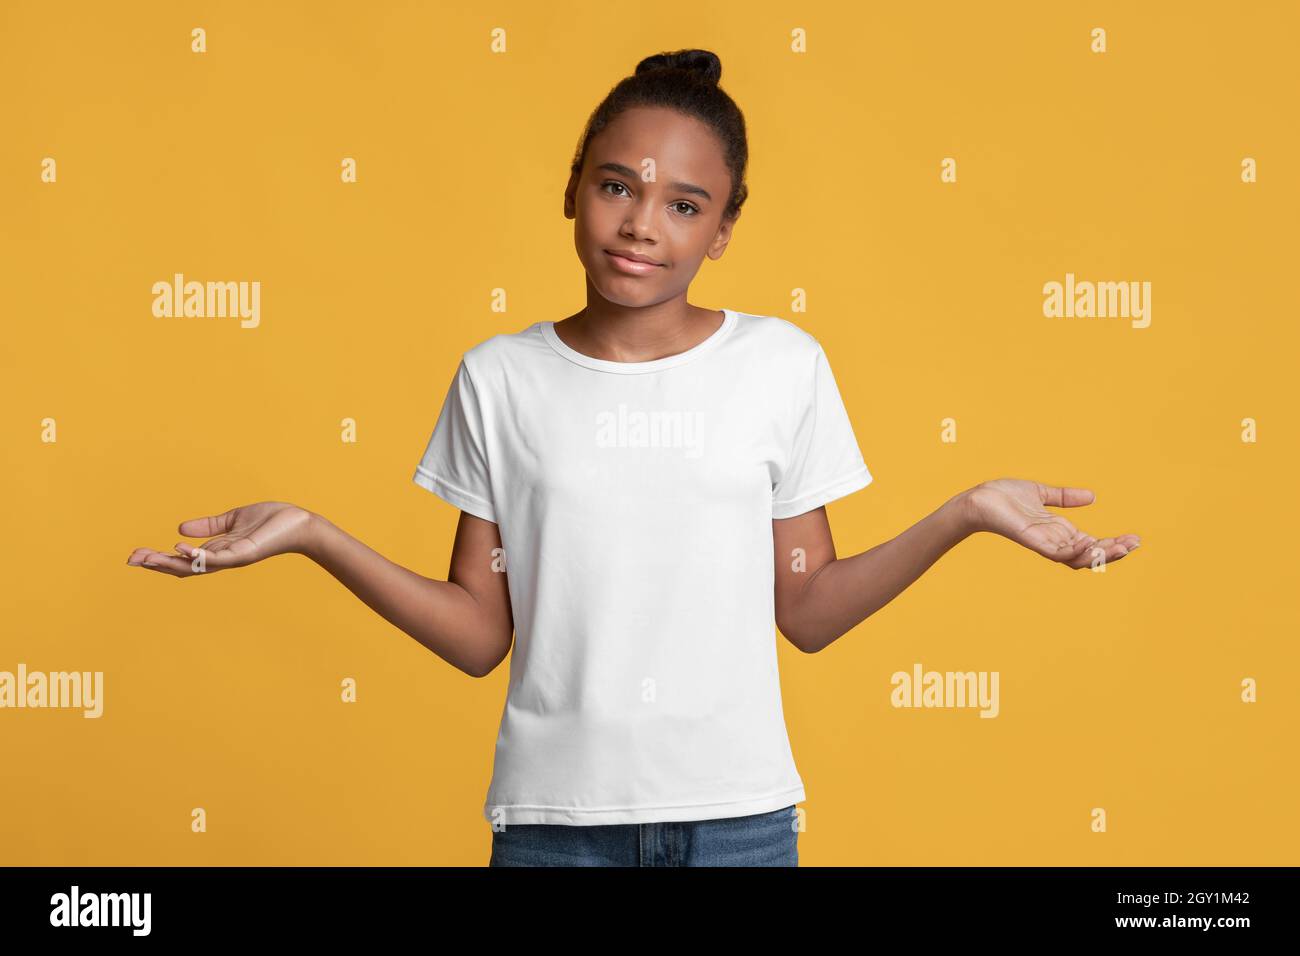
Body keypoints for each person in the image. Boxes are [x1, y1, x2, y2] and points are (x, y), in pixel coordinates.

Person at [126, 48, 1142, 867]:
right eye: (617, 185)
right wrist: (313, 534)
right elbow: (481, 631)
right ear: (574, 189)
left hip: (738, 824)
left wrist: (960, 512)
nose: (640, 225)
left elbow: (808, 607)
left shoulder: (780, 366)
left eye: (684, 205)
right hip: (551, 829)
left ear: (723, 229)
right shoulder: (499, 378)